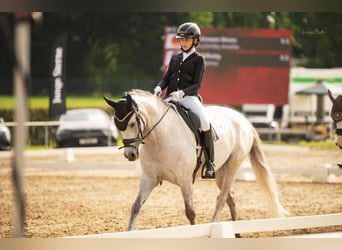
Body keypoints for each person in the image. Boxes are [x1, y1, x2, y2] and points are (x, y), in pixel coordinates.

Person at [153, 22, 215, 179]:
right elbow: (166, 78)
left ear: (195, 40)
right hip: (171, 98)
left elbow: (197, 84)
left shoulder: (199, 59)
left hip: (189, 99)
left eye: (187, 39)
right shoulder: (175, 58)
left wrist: (182, 93)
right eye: (181, 40)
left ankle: (210, 163)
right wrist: (159, 87)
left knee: (205, 123)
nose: (183, 42)